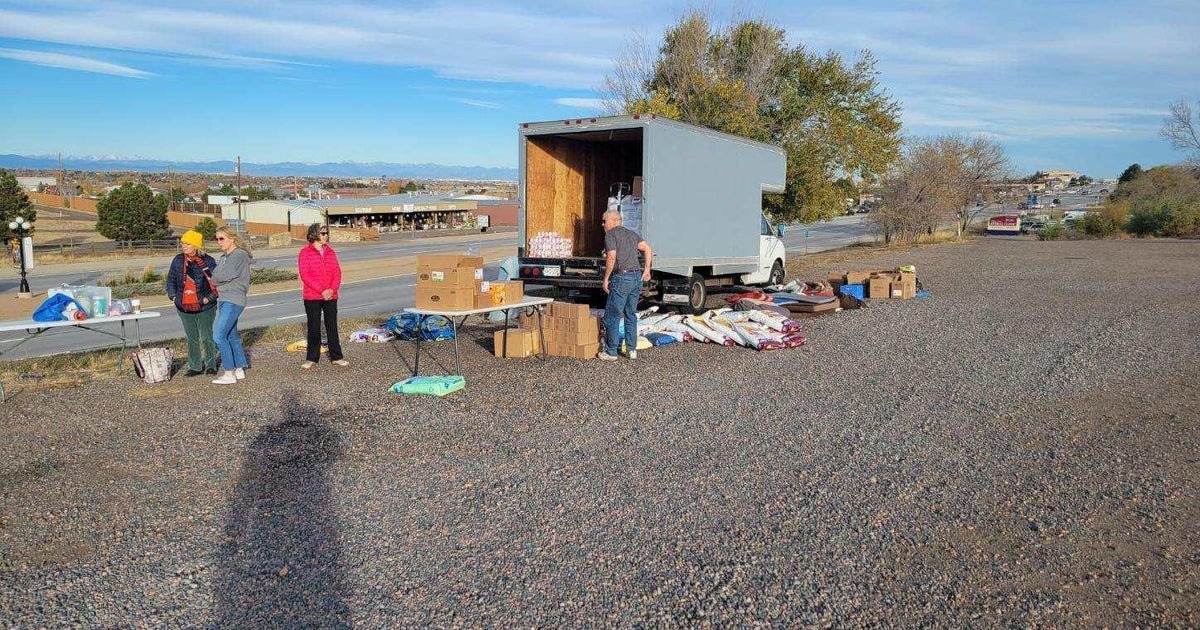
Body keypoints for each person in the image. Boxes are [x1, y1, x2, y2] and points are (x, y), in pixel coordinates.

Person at [598, 209, 652, 361]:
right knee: (630, 314)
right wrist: (647, 269)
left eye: (604, 221)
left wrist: (606, 278)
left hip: (622, 277)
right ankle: (631, 350)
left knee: (613, 315)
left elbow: (611, 257)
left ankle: (611, 352)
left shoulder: (610, 235)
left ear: (614, 220)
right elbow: (648, 248)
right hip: (636, 276)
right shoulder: (631, 233)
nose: (602, 224)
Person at [165, 230, 219, 376]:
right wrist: (174, 297)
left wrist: (208, 299)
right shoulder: (178, 260)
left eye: (187, 243)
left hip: (205, 306)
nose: (183, 245)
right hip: (184, 306)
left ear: (195, 245)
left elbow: (217, 283)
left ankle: (211, 365)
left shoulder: (208, 261)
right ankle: (195, 367)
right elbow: (171, 280)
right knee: (192, 338)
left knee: (207, 337)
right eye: (182, 243)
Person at [297, 223, 348, 369]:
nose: (326, 236)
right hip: (312, 296)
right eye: (323, 233)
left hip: (331, 296)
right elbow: (305, 275)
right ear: (315, 235)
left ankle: (336, 356)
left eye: (326, 233)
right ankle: (312, 358)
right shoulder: (304, 253)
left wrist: (332, 289)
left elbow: (337, 272)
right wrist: (321, 290)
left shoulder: (331, 252)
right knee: (313, 327)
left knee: (332, 326)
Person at [210, 226, 252, 385]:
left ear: (232, 238)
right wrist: (217, 277)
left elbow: (223, 275)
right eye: (217, 239)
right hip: (225, 298)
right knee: (231, 335)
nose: (218, 242)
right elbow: (217, 275)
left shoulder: (238, 255)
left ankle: (229, 372)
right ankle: (239, 368)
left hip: (233, 299)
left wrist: (215, 278)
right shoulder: (224, 256)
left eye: (222, 238)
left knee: (218, 336)